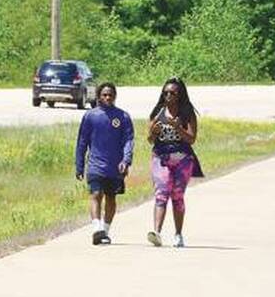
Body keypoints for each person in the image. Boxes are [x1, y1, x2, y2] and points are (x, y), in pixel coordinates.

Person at [146, 77, 204, 248]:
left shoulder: (187, 114)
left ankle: (178, 235)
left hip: (183, 159)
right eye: (166, 93)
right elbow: (149, 139)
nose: (168, 95)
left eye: (172, 93)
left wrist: (178, 127)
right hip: (160, 157)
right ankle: (156, 233)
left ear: (180, 95)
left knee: (177, 196)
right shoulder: (157, 112)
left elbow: (192, 139)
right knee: (161, 193)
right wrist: (154, 133)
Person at [75, 82, 134, 245]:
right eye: (104, 95)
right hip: (95, 165)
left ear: (115, 96)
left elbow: (128, 140)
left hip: (115, 167)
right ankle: (96, 228)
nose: (107, 97)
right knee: (95, 195)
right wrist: (79, 165)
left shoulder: (123, 117)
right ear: (99, 96)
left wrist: (126, 160)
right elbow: (82, 142)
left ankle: (105, 232)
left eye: (110, 95)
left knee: (111, 198)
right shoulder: (90, 116)